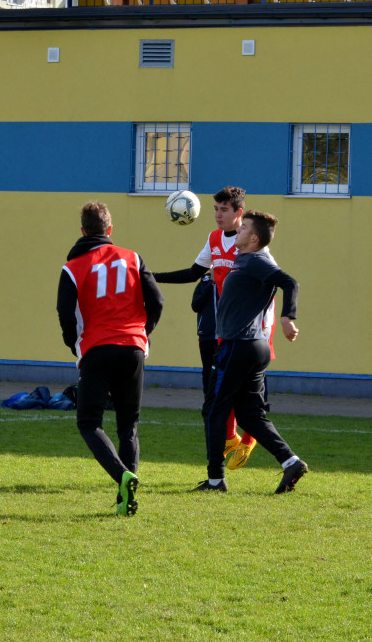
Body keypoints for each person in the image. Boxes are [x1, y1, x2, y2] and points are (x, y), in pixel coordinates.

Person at [57, 202, 164, 516]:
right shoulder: (133, 258)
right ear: (110, 229)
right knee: (128, 426)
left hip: (97, 348)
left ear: (82, 230)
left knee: (89, 422)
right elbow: (157, 301)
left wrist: (75, 346)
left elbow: (65, 314)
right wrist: (143, 333)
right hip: (133, 347)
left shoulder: (72, 267)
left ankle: (122, 476)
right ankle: (125, 499)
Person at [192, 210, 308, 494]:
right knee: (249, 415)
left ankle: (215, 480)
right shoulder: (243, 260)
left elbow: (290, 282)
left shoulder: (257, 260)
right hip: (251, 346)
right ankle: (291, 462)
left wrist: (287, 318)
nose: (238, 231)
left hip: (238, 346)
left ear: (254, 238)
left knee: (215, 410)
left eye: (243, 228)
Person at [153, 186, 263, 469]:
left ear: (239, 213)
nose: (217, 214)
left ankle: (249, 440)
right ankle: (229, 440)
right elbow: (194, 272)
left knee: (247, 389)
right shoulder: (214, 238)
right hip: (225, 328)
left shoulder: (251, 242)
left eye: (224, 210)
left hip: (253, 326)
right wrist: (151, 277)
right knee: (220, 390)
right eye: (215, 209)